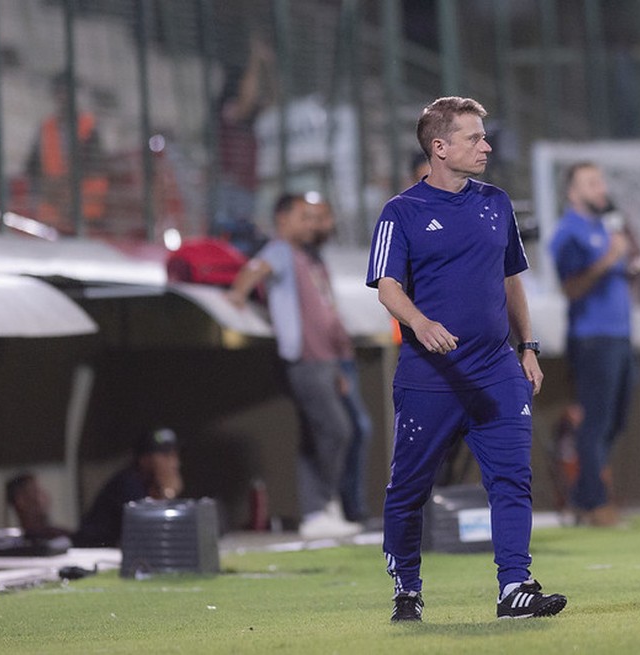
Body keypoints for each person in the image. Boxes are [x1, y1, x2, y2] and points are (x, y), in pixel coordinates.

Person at [366, 96, 566, 622]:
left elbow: (511, 282)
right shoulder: (401, 211)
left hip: (496, 369)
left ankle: (514, 587)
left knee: (512, 478)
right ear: (439, 146)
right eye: (474, 137)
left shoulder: (496, 203)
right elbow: (387, 288)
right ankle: (406, 589)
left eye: (483, 136)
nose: (487, 146)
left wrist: (528, 347)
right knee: (409, 490)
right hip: (430, 377)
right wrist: (421, 322)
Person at [227, 192, 360, 540]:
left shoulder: (311, 257)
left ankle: (321, 506)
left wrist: (339, 363)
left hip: (324, 360)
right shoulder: (281, 250)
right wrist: (238, 293)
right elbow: (256, 268)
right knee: (337, 430)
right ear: (283, 220)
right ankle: (318, 506)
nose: (311, 224)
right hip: (304, 360)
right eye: (303, 217)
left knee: (318, 436)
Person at [548, 162, 637, 526]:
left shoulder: (604, 228)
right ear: (573, 193)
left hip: (620, 334)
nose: (601, 188)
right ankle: (595, 502)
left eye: (601, 180)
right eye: (591, 182)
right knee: (595, 422)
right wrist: (610, 259)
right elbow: (572, 287)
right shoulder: (569, 233)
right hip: (592, 338)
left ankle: (584, 497)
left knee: (615, 421)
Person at [310, 195, 374, 524]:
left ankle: (345, 505)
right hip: (321, 358)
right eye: (314, 218)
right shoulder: (292, 256)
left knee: (354, 429)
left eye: (325, 217)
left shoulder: (318, 258)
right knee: (344, 428)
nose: (323, 225)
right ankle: (333, 505)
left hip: (337, 355)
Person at [213, 33, 275, 252]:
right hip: (230, 187)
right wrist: (255, 62)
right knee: (231, 239)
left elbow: (273, 97)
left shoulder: (252, 120)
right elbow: (246, 101)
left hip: (247, 187)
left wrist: (267, 67)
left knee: (247, 238)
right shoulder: (228, 110)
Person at [25, 71, 108, 233]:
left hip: (85, 211)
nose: (63, 97)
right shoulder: (46, 128)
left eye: (66, 91)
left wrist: (65, 185)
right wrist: (48, 187)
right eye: (59, 91)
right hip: (51, 212)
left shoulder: (89, 126)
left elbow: (95, 166)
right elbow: (32, 167)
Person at [73, 428, 183, 548]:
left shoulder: (149, 485)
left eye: (175, 455)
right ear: (144, 459)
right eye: (166, 456)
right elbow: (149, 533)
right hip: (91, 551)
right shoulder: (128, 483)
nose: (174, 463)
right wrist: (168, 494)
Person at [4, 472, 73, 543]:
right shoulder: (10, 544)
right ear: (20, 501)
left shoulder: (63, 538)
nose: (45, 497)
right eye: (36, 492)